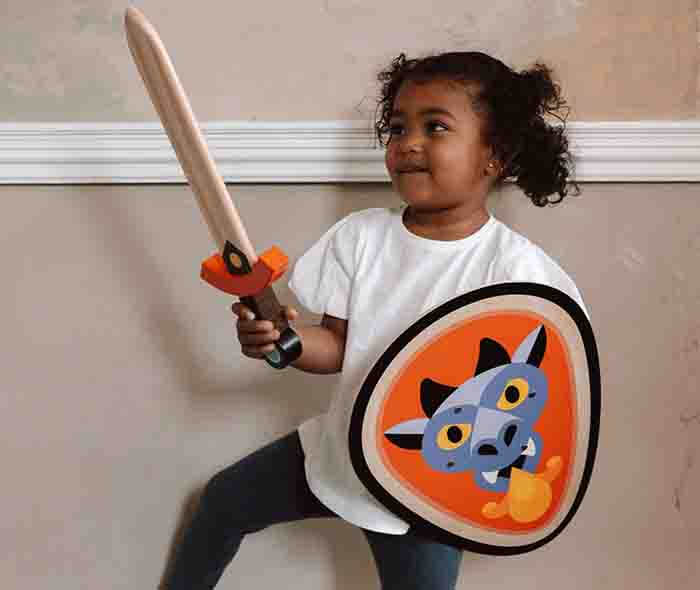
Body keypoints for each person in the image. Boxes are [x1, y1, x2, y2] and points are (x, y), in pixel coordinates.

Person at [162, 51, 586, 590]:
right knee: (223, 501)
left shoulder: (519, 274)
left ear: (495, 155)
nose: (408, 142)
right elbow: (337, 345)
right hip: (338, 452)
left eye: (436, 126)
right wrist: (282, 341)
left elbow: (538, 395)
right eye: (399, 127)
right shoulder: (360, 238)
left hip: (425, 491)